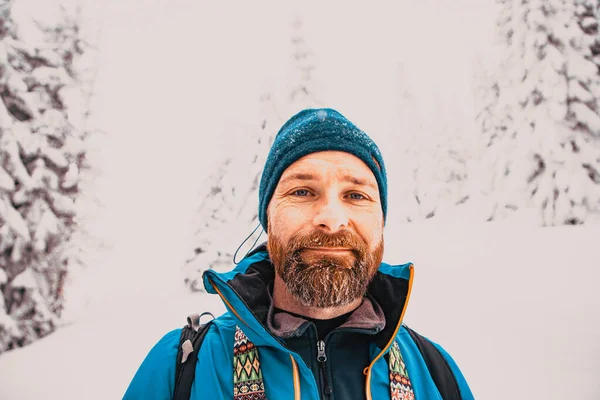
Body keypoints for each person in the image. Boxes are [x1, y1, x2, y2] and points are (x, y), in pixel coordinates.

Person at [124, 108, 474, 399]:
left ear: (381, 222)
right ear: (268, 218)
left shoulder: (434, 373)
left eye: (356, 195)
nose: (332, 220)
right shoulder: (183, 367)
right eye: (303, 191)